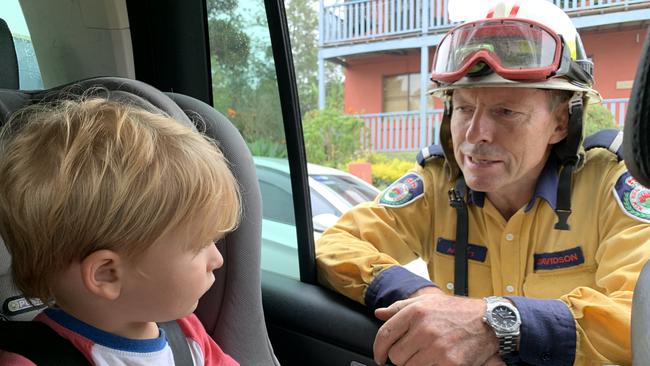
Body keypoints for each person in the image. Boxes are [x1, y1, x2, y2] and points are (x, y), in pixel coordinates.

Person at [315, 0, 650, 365]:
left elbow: (639, 318)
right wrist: (422, 295)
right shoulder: (438, 183)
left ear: (560, 123)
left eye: (505, 111)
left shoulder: (609, 189)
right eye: (463, 108)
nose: (475, 134)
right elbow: (336, 245)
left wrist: (497, 325)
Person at [0, 96, 241, 365]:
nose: (217, 259)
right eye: (199, 245)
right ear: (107, 273)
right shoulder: (32, 360)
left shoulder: (187, 335)